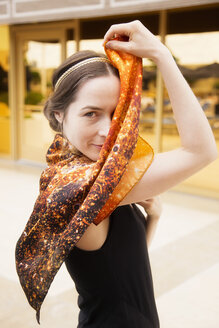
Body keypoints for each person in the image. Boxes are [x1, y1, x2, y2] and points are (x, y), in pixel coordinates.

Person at [28, 20, 217, 327]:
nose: (108, 130)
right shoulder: (80, 185)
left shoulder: (100, 173)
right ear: (59, 114)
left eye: (117, 114)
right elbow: (202, 151)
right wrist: (161, 54)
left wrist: (153, 218)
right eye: (91, 113)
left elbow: (123, 268)